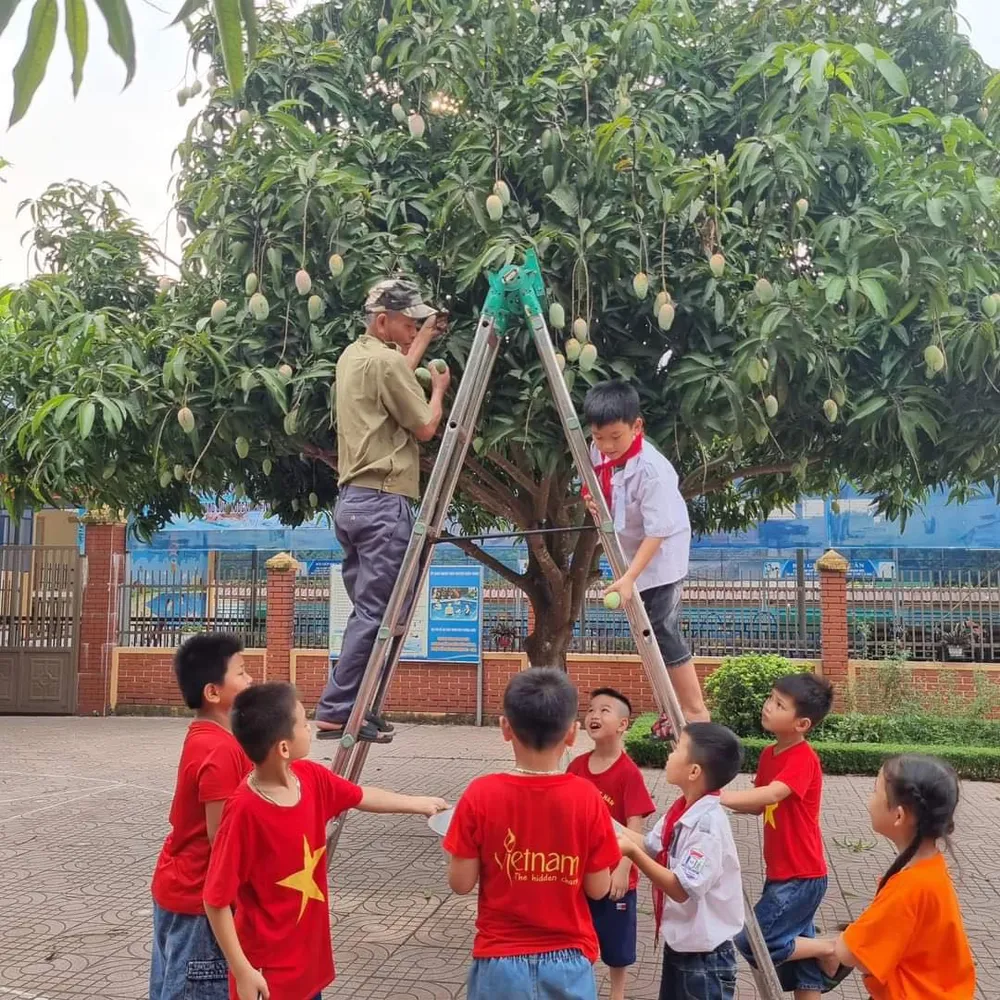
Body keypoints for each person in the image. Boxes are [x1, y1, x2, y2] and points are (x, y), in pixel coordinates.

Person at [203, 681, 448, 1000]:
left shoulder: (310, 778)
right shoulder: (243, 812)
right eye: (303, 722)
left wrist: (417, 803)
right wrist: (242, 970)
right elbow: (215, 900)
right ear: (284, 748)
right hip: (267, 974)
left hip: (307, 966)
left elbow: (360, 796)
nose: (310, 727)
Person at [315, 277, 450, 743]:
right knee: (379, 613)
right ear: (382, 320)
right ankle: (337, 709)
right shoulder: (388, 362)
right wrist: (438, 389)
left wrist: (425, 339)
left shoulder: (355, 357)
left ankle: (355, 704)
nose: (414, 327)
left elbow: (394, 376)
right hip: (382, 502)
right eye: (409, 321)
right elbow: (427, 426)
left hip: (353, 502)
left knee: (368, 612)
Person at [442, 667, 622, 1000]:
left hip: (499, 962)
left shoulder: (480, 795)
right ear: (572, 733)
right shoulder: (587, 798)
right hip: (569, 962)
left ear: (505, 728)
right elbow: (598, 889)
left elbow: (461, 883)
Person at [582, 379, 707, 723]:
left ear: (637, 427)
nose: (606, 445)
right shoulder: (598, 452)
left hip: (660, 558)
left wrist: (627, 579)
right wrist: (596, 503)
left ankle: (694, 710)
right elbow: (601, 487)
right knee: (645, 633)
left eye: (615, 437)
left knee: (661, 629)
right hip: (631, 554)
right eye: (599, 437)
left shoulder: (653, 471)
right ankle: (670, 706)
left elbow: (658, 533)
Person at [817, 754, 976, 999]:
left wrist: (825, 945)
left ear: (899, 816)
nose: (869, 801)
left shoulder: (909, 887)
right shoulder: (931, 868)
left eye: (875, 792)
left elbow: (851, 954)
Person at [149, 633, 253, 1000]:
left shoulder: (214, 737)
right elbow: (222, 839)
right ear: (213, 692)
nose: (250, 679)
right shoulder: (218, 749)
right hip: (200, 903)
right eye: (241, 673)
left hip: (181, 888)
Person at [720, 672, 834, 999]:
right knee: (804, 967)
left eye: (779, 704)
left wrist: (719, 798)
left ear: (802, 724)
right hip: (783, 873)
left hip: (802, 873)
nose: (768, 706)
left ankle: (829, 948)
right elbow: (757, 806)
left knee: (754, 941)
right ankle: (819, 951)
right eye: (770, 698)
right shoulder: (771, 754)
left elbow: (771, 795)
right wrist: (718, 806)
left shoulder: (803, 758)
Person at [618, 723, 745, 1000]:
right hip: (682, 948)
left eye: (678, 749)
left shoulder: (707, 826)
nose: (670, 753)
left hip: (705, 962)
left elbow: (680, 888)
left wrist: (631, 853)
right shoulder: (682, 811)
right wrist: (600, 817)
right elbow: (651, 845)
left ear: (694, 771)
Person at [566, 687, 656, 1000]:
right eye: (590, 709)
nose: (593, 715)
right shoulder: (576, 767)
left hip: (615, 875)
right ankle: (582, 988)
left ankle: (617, 994)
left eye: (604, 710)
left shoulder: (628, 773)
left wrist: (623, 869)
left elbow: (635, 828)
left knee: (617, 946)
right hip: (578, 874)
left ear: (622, 724)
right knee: (579, 936)